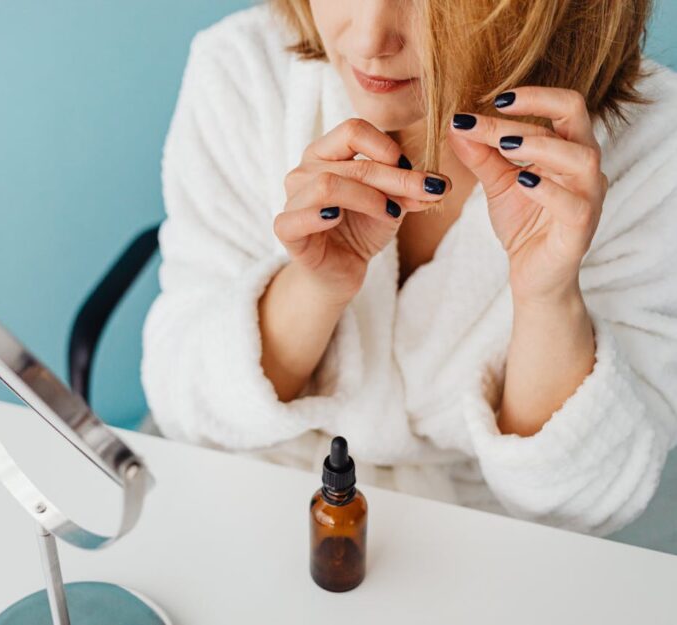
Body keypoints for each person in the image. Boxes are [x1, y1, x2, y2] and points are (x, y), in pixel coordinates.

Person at [141, 0, 677, 537]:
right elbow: (183, 401)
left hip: (493, 537)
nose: (372, 39)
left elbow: (590, 501)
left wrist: (547, 297)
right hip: (252, 491)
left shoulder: (654, 147)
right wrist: (313, 286)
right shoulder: (245, 68)